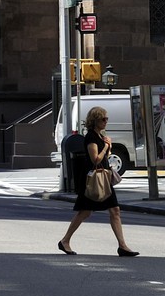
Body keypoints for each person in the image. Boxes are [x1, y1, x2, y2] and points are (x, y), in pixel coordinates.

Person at [57, 106, 138, 257]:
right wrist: (106, 146)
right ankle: (65, 240)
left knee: (115, 210)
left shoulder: (100, 136)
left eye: (106, 118)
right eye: (103, 119)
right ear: (95, 120)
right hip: (93, 180)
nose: (106, 121)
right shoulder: (91, 137)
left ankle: (122, 246)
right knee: (85, 212)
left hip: (103, 179)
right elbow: (95, 159)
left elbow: (105, 157)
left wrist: (108, 146)